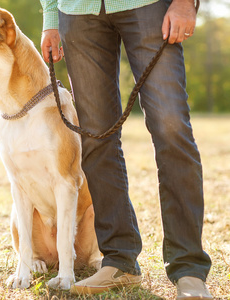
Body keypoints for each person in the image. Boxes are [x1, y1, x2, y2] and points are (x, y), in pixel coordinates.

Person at [39, 0, 212, 298]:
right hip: (78, 11)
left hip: (148, 6)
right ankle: (119, 260)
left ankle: (189, 268)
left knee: (172, 130)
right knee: (96, 137)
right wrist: (50, 15)